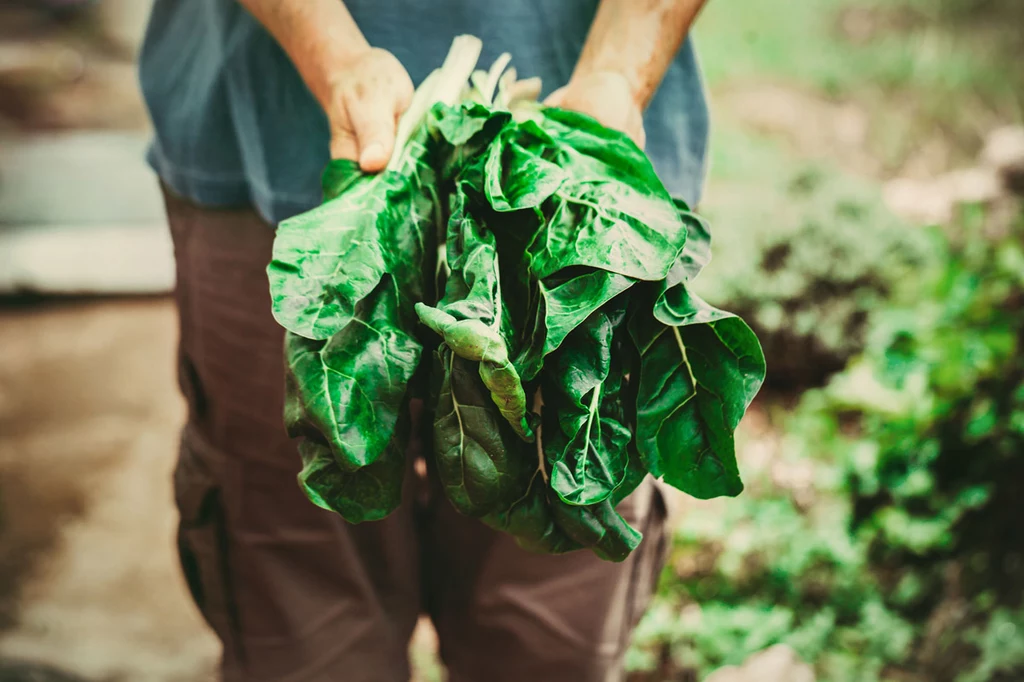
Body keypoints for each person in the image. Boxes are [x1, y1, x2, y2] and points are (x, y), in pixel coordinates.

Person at [138, 1, 710, 680]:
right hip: (279, 150)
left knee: (549, 620)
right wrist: (337, 62)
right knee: (308, 623)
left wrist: (618, 71)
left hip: (585, 182)